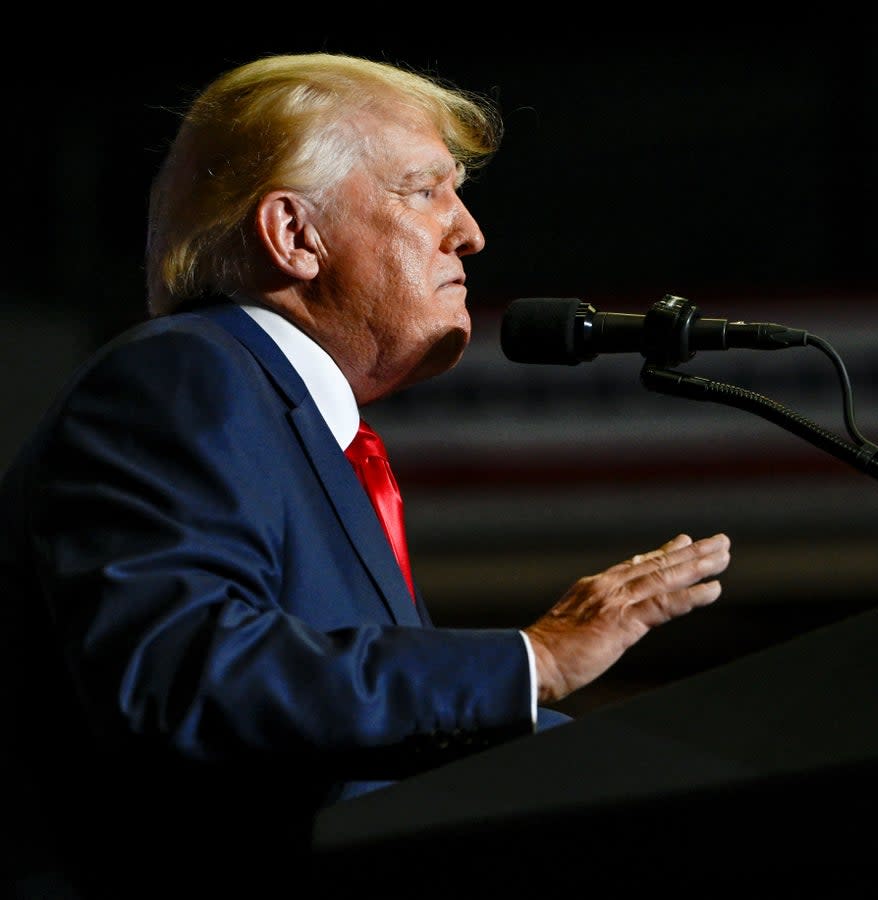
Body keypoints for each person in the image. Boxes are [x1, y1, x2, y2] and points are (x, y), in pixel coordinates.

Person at [0, 52, 731, 898]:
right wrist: (528, 661)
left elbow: (375, 742)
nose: (469, 231)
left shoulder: (315, 441)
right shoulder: (184, 375)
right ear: (294, 235)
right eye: (425, 191)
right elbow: (182, 677)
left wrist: (689, 762)